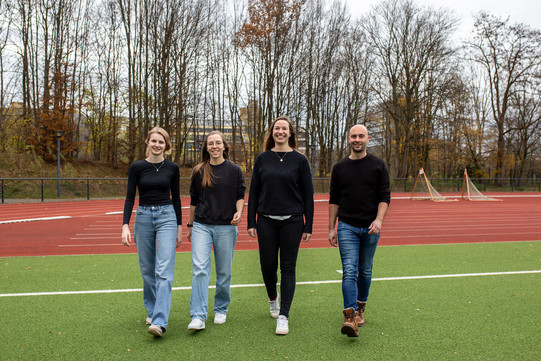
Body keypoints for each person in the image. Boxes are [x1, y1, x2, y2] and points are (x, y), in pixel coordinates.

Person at [247, 116, 314, 335]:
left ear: (290, 133)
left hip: (292, 221)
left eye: (284, 128)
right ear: (272, 132)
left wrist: (308, 225)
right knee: (267, 267)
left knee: (288, 268)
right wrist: (251, 221)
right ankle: (273, 299)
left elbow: (308, 195)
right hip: (266, 220)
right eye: (277, 128)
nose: (280, 131)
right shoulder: (263, 158)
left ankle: (284, 315)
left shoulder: (300, 160)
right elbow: (255, 191)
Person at [328, 124, 391, 337]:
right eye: (354, 136)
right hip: (347, 226)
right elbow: (334, 200)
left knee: (365, 270)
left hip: (371, 228)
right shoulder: (339, 167)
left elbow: (384, 196)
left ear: (367, 138)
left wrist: (379, 220)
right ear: (348, 139)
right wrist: (331, 228)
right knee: (349, 269)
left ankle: (360, 308)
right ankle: (350, 316)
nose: (357, 139)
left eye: (361, 136)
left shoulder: (378, 165)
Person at [121, 127, 182, 338]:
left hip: (167, 217)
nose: (157, 145)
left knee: (163, 271)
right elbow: (130, 197)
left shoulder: (172, 168)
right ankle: (152, 309)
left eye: (161, 142)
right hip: (143, 217)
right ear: (148, 142)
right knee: (147, 270)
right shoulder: (137, 167)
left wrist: (180, 228)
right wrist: (125, 225)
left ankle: (159, 321)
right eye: (154, 141)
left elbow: (176, 199)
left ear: (166, 146)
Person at [186, 130, 245, 331]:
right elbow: (193, 201)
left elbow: (240, 196)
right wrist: (190, 225)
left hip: (226, 227)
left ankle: (221, 308)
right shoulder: (199, 170)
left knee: (223, 271)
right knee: (200, 269)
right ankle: (198, 315)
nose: (214, 146)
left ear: (224, 146)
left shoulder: (235, 170)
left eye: (218, 142)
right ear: (206, 147)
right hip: (202, 225)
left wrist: (239, 212)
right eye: (210, 143)